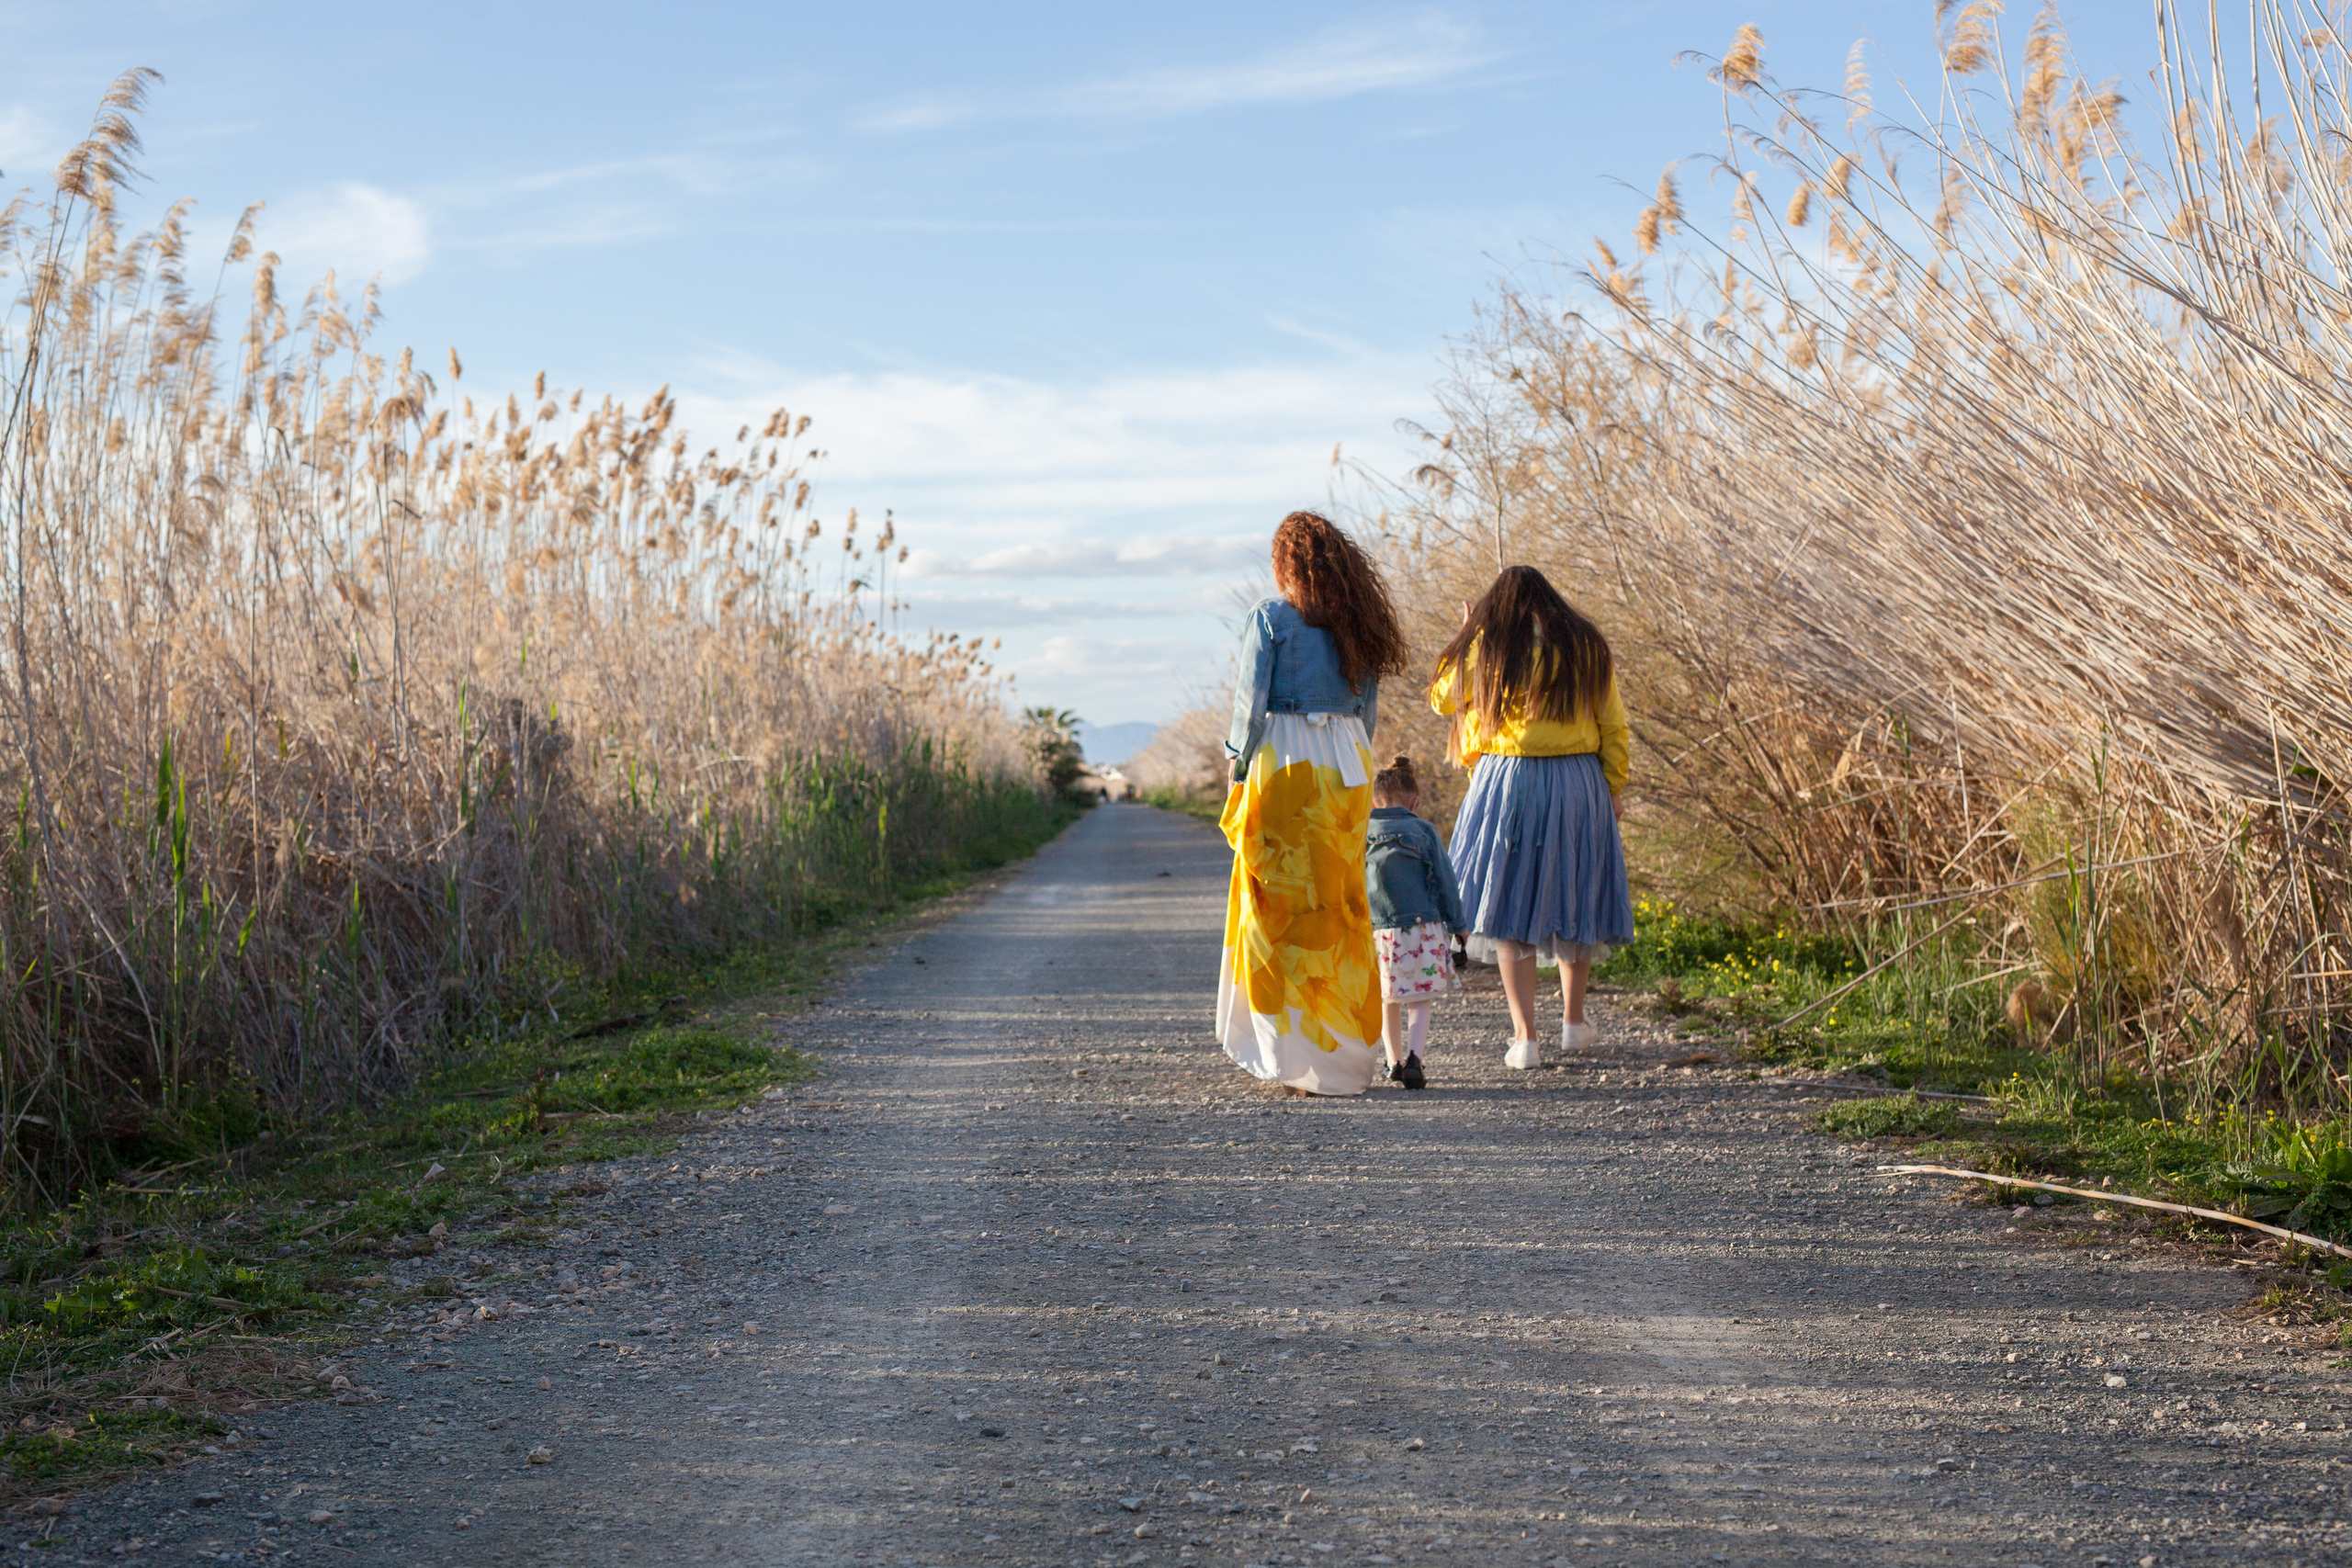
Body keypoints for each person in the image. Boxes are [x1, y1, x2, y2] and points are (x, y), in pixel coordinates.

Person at [1217, 511, 1408, 1096]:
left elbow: (1250, 705)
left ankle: (1293, 1058)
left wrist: (1235, 765)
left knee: (1277, 905)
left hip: (1288, 760)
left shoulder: (1270, 618)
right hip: (1347, 764)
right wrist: (1353, 763)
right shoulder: (1361, 623)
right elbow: (1367, 716)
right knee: (1343, 908)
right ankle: (1346, 1058)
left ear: (1285, 564)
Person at [1430, 565, 1634, 1068]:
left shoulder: (1491, 644)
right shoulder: (1586, 644)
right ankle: (1572, 1023)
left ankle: (1525, 1039)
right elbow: (1614, 723)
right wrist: (1614, 785)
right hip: (1578, 781)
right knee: (1575, 895)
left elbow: (1442, 700)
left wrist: (1467, 634)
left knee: (1509, 904)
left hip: (1509, 780)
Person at [1364, 753, 1466, 1091]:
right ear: (1416, 801)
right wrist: (1458, 924)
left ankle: (1392, 1063)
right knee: (1419, 999)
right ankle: (1414, 1060)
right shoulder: (1423, 830)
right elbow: (1445, 880)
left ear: (1374, 801)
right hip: (1422, 929)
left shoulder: (1362, 831)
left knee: (1385, 997)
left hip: (1377, 930)